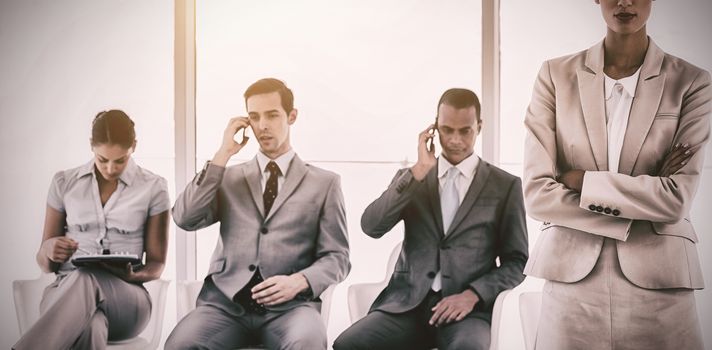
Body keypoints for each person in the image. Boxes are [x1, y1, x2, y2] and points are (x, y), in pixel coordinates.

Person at [522, 1, 709, 349]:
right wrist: (643, 195)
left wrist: (583, 181)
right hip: (571, 284)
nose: (624, 1)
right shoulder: (555, 75)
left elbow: (675, 200)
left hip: (662, 287)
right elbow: (537, 194)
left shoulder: (692, 82)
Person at [334, 88, 528, 350]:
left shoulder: (505, 186)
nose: (455, 140)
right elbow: (371, 226)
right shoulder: (412, 178)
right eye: (447, 130)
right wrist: (418, 171)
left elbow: (516, 261)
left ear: (479, 127)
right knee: (348, 344)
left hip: (466, 313)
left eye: (465, 131)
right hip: (406, 307)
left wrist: (473, 295)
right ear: (434, 129)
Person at [166, 78, 350, 350]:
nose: (262, 125)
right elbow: (185, 218)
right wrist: (222, 155)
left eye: (272, 115)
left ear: (292, 116)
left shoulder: (325, 183)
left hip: (291, 310)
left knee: (308, 343)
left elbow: (338, 257)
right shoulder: (226, 177)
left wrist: (299, 281)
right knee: (181, 345)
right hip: (224, 309)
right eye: (254, 117)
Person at [13, 110, 170, 350]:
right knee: (92, 324)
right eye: (102, 159)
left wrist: (132, 276)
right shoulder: (64, 183)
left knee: (87, 278)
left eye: (120, 160)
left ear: (133, 147)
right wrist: (49, 249)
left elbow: (157, 264)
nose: (110, 168)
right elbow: (45, 264)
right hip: (64, 294)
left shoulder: (154, 187)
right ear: (91, 147)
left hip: (126, 300)